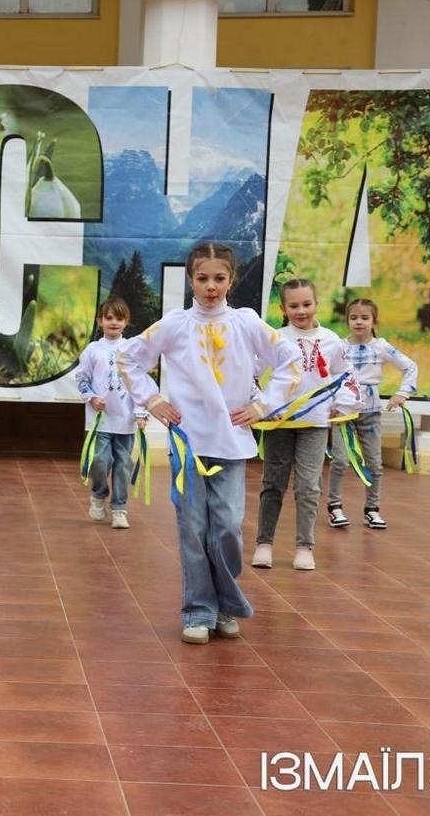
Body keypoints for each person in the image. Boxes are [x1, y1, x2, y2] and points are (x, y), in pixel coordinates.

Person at [120, 242, 301, 645]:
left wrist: (263, 404)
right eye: (202, 279)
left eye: (219, 278)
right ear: (191, 280)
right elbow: (129, 359)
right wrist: (153, 400)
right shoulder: (174, 324)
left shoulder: (247, 323)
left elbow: (291, 359)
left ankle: (223, 603)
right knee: (193, 528)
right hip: (187, 444)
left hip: (233, 444)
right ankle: (199, 610)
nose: (211, 287)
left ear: (231, 280)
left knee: (228, 528)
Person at [252, 279, 361, 571]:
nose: (301, 311)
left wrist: (342, 404)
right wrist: (262, 406)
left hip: (315, 424)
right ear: (283, 309)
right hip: (280, 423)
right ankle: (264, 543)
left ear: (316, 304)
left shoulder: (332, 340)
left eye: (306, 304)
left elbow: (344, 376)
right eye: (294, 306)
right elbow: (251, 373)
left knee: (309, 486)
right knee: (273, 483)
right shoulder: (275, 338)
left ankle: (304, 546)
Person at [326, 297, 418, 530]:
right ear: (347, 320)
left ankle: (372, 508)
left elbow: (410, 366)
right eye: (354, 317)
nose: (359, 322)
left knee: (375, 463)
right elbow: (324, 373)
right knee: (340, 460)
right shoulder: (339, 346)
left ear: (374, 321)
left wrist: (402, 394)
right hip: (343, 413)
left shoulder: (381, 347)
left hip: (371, 413)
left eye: (365, 318)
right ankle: (334, 506)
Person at [75, 296, 150, 530]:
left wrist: (141, 413)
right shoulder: (93, 350)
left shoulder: (132, 350)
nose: (114, 323)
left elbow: (140, 384)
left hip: (126, 420)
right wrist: (92, 397)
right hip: (100, 421)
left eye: (119, 318)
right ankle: (98, 495)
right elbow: (81, 378)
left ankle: (119, 508)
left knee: (123, 465)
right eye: (109, 318)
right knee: (100, 460)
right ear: (100, 321)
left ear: (126, 322)